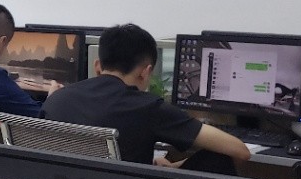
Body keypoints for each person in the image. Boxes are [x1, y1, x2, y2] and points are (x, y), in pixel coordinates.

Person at [43, 23, 251, 171]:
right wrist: (178, 168)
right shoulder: (148, 107)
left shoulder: (56, 98)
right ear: (146, 71)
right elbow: (240, 151)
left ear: (97, 66)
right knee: (219, 159)